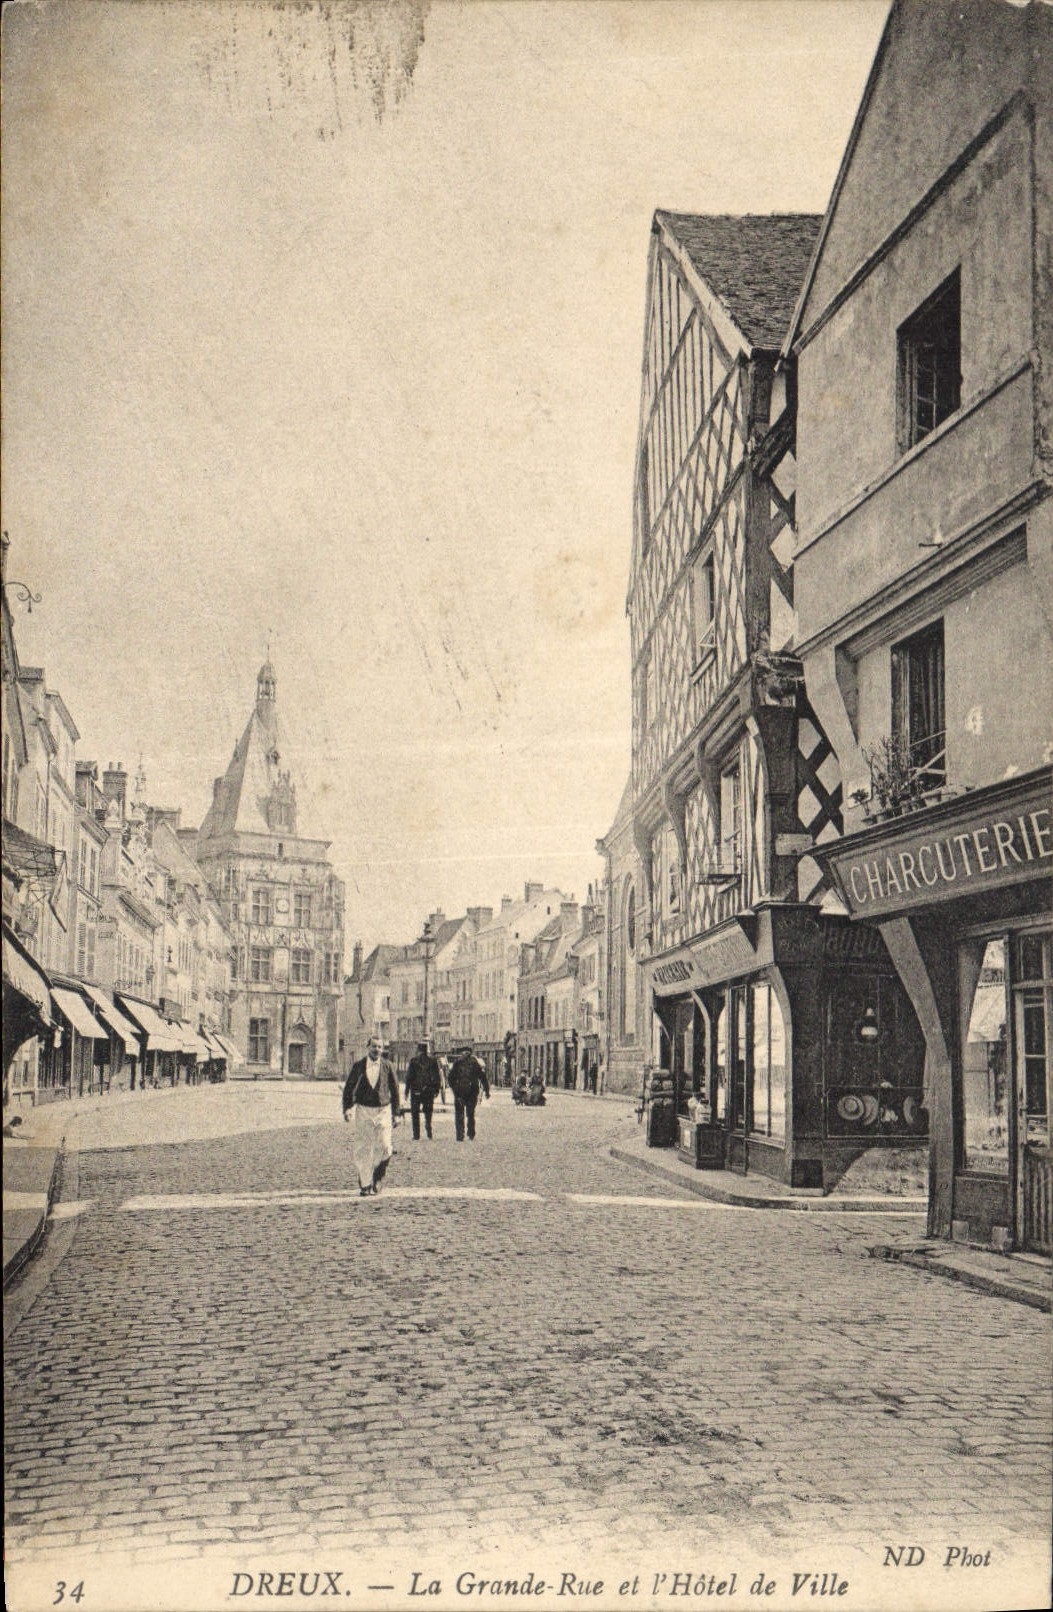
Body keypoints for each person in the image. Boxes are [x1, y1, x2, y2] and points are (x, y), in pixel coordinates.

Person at [342, 1035, 401, 1195]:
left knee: (385, 1146)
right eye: (374, 1046)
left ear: (383, 1049)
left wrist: (397, 1113)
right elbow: (349, 1088)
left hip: (383, 1110)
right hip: (364, 1110)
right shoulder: (359, 1066)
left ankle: (379, 1174)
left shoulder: (388, 1066)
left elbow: (395, 1091)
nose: (377, 1050)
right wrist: (348, 1108)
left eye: (380, 1047)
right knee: (364, 1147)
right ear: (368, 1047)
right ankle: (366, 1183)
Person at [447, 1043, 490, 1141]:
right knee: (470, 1114)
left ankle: (460, 1134)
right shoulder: (474, 1063)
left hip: (460, 1092)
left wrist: (454, 1088)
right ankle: (470, 1133)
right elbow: (483, 1077)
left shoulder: (457, 1063)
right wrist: (487, 1091)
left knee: (459, 1114)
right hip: (472, 1092)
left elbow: (450, 1078)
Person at [404, 1039, 443, 1140]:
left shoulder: (414, 1061)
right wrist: (436, 1089)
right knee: (428, 1112)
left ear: (418, 1050)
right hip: (428, 1091)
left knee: (415, 1113)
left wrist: (406, 1091)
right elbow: (437, 1077)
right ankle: (428, 1130)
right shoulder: (433, 1061)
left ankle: (416, 1134)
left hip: (416, 1090)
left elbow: (409, 1077)